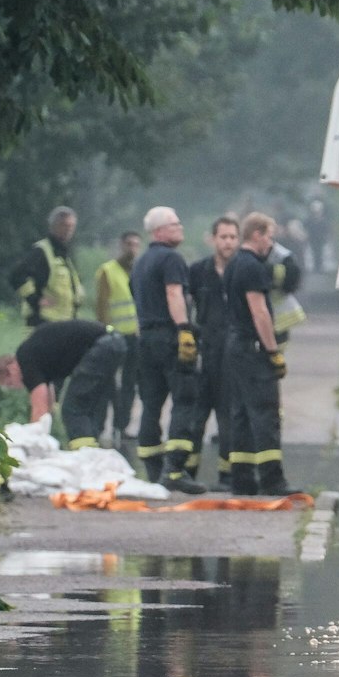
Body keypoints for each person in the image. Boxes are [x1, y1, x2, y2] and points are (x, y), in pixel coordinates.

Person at [129, 206, 207, 494]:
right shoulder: (172, 258)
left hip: (145, 339)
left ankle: (152, 469)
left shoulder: (140, 262)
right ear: (159, 231)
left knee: (151, 404)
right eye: (175, 224)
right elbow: (174, 293)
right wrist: (185, 329)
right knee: (185, 399)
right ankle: (174, 469)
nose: (181, 228)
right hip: (169, 336)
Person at [223, 212, 296, 496]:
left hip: (235, 345)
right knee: (266, 412)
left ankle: (242, 478)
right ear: (256, 234)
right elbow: (260, 312)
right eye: (269, 236)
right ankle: (272, 479)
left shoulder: (233, 265)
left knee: (241, 411)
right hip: (253, 348)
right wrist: (273, 351)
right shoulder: (253, 267)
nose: (270, 243)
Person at [0, 319, 123, 450]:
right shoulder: (37, 359)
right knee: (90, 406)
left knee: (73, 409)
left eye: (10, 384)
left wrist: (32, 443)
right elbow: (47, 403)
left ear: (11, 369)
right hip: (113, 342)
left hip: (101, 346)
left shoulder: (25, 359)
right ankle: (94, 450)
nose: (15, 387)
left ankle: (85, 454)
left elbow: (39, 408)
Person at [183, 215, 240, 489]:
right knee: (196, 415)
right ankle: (188, 472)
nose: (228, 242)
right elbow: (185, 303)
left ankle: (227, 476)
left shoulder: (243, 270)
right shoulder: (198, 271)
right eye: (223, 237)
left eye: (232, 237)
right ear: (213, 239)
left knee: (228, 416)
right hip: (205, 349)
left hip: (232, 352)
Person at [94, 231, 142, 442]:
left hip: (134, 334)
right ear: (121, 246)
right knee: (109, 383)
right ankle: (101, 425)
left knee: (130, 383)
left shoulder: (139, 270)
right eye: (129, 244)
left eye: (136, 245)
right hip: (114, 335)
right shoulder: (108, 271)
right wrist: (104, 331)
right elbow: (102, 304)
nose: (132, 249)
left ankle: (122, 426)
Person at [8, 206, 85, 327]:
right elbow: (16, 275)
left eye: (71, 226)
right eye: (64, 225)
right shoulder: (42, 251)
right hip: (43, 322)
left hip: (65, 321)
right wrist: (35, 300)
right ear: (53, 226)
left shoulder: (63, 254)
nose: (68, 230)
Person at [302, 198, 331, 274]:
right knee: (314, 252)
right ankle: (316, 267)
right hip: (312, 238)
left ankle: (319, 267)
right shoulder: (309, 219)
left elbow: (326, 229)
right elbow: (305, 226)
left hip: (320, 239)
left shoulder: (323, 220)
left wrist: (326, 236)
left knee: (320, 252)